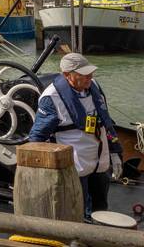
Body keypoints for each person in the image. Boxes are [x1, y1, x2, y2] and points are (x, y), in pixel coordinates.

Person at [28, 52, 123, 220]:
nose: (89, 77)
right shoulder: (51, 98)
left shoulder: (94, 86)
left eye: (90, 73)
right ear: (66, 75)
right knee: (79, 208)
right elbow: (37, 138)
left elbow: (106, 122)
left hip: (101, 161)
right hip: (76, 165)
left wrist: (115, 152)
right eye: (83, 74)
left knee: (101, 206)